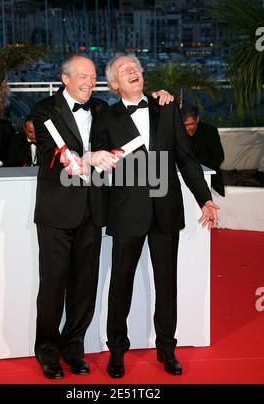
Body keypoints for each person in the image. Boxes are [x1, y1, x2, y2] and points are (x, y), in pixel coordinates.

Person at [31, 53, 173, 379]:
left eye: (93, 76)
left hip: (94, 210)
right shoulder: (44, 110)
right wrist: (83, 158)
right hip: (56, 212)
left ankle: (74, 348)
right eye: (82, 76)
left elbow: (132, 108)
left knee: (85, 286)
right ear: (64, 78)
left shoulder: (99, 109)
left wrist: (158, 96)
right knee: (53, 287)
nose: (89, 82)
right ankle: (48, 353)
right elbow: (51, 153)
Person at [93, 55, 219, 378]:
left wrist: (204, 198)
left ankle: (167, 349)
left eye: (136, 67)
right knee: (120, 285)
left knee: (167, 285)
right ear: (115, 84)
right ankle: (117, 351)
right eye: (125, 70)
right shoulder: (106, 117)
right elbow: (98, 162)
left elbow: (185, 158)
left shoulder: (166, 108)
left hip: (165, 210)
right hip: (126, 212)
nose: (133, 72)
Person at [180, 105, 225, 197]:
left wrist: (201, 171)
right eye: (184, 125)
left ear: (197, 119)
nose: (187, 128)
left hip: (209, 180)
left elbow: (219, 156)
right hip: (184, 180)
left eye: (191, 124)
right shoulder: (178, 132)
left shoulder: (210, 131)